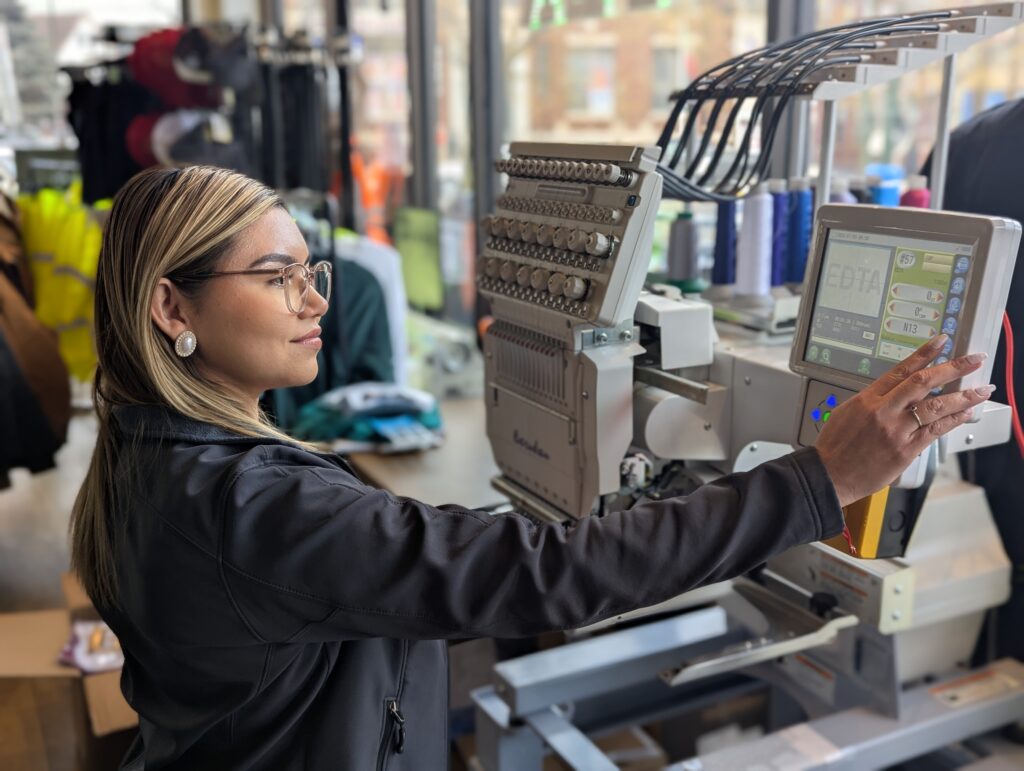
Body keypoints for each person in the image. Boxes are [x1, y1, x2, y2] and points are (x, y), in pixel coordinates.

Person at [71, 165, 993, 771]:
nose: (316, 298)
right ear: (169, 305)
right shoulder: (254, 505)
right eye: (277, 277)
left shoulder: (146, 450)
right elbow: (550, 573)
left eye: (311, 268)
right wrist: (819, 479)